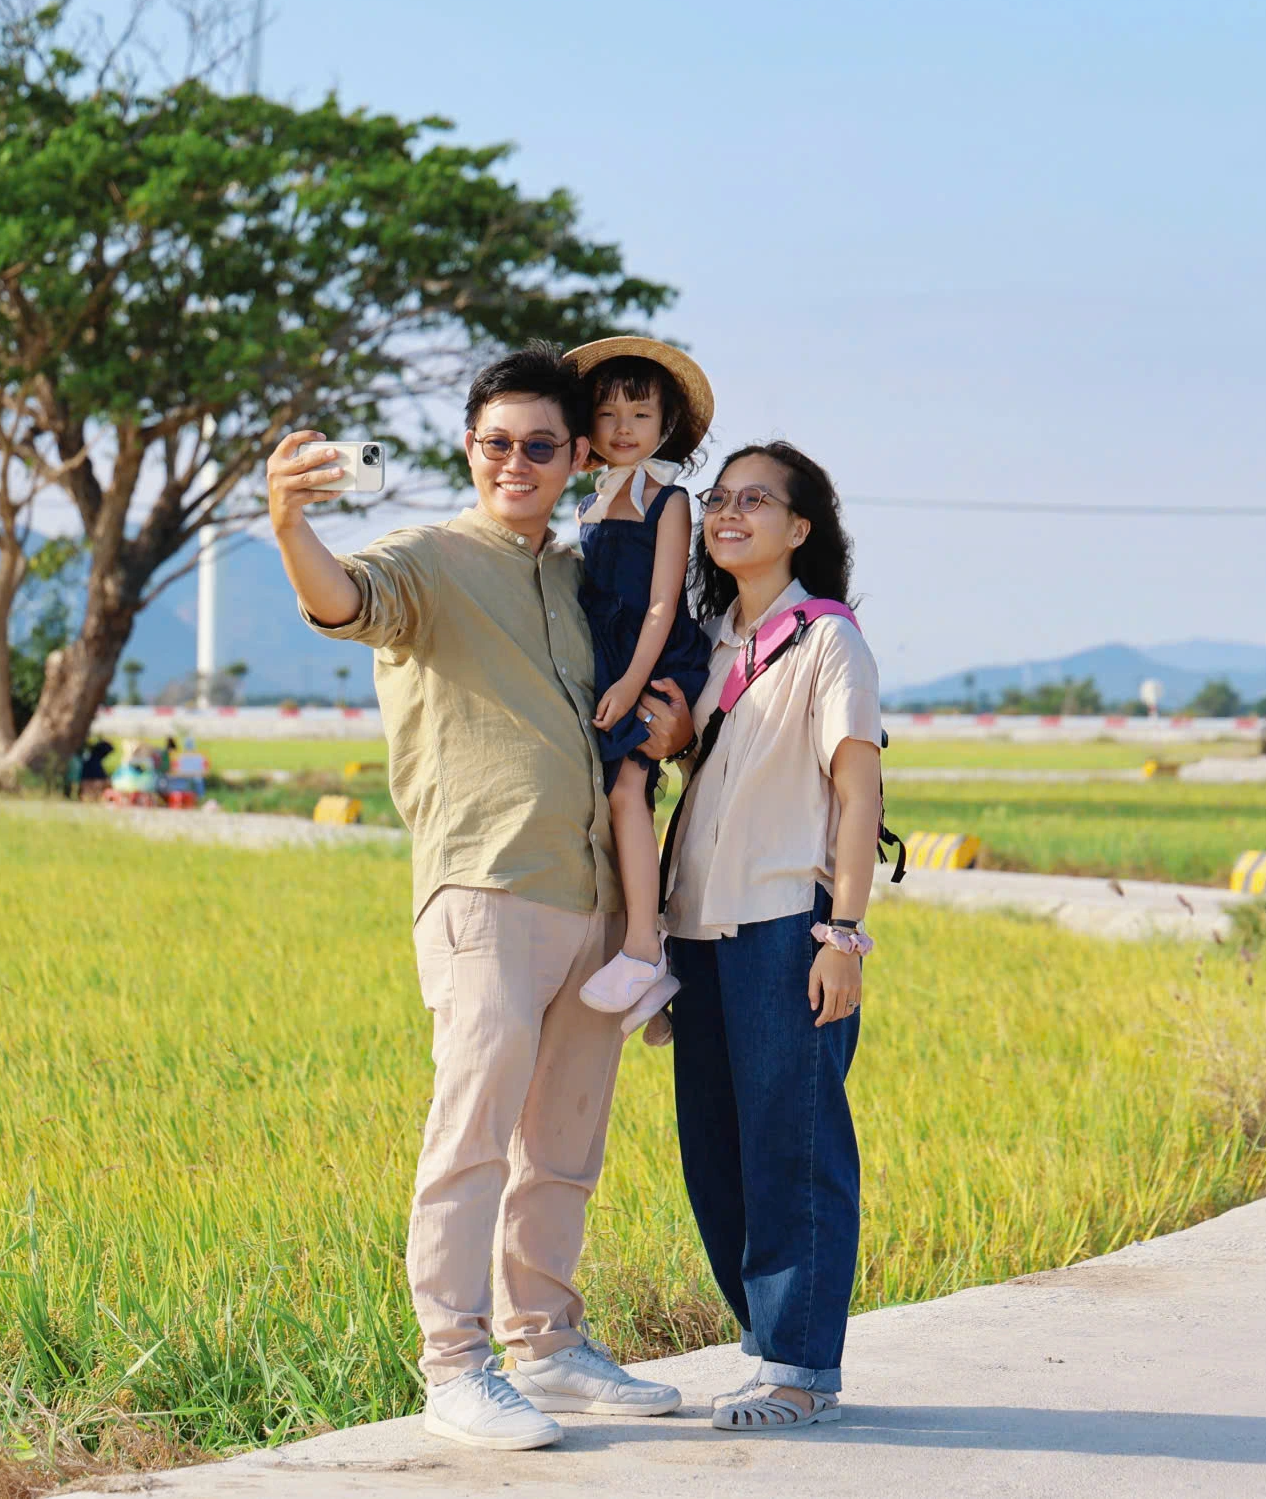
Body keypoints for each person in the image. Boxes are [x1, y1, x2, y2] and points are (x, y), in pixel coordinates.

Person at [265, 346, 697, 1452]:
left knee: (563, 1141)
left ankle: (545, 1343)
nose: (516, 462)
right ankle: (453, 1366)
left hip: (595, 897)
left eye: (540, 445)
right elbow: (343, 599)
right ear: (469, 448)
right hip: (487, 889)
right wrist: (289, 525)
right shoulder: (428, 559)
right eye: (497, 442)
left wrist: (671, 724)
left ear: (578, 456)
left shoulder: (578, 574)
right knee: (471, 1133)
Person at [658, 441, 884, 1432]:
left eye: (756, 499)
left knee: (793, 1148)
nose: (728, 511)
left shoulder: (828, 639)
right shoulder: (709, 645)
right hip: (698, 928)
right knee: (714, 1149)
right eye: (719, 496)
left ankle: (801, 1370)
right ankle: (767, 1346)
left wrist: (844, 933)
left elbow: (857, 790)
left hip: (788, 923)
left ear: (799, 527)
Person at [559, 336, 717, 1035]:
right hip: (606, 663)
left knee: (629, 794)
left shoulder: (669, 500)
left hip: (652, 663)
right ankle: (654, 985)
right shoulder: (588, 502)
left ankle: (644, 951)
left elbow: (661, 604)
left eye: (641, 415)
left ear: (666, 424)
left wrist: (628, 684)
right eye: (608, 414)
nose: (624, 428)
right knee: (614, 802)